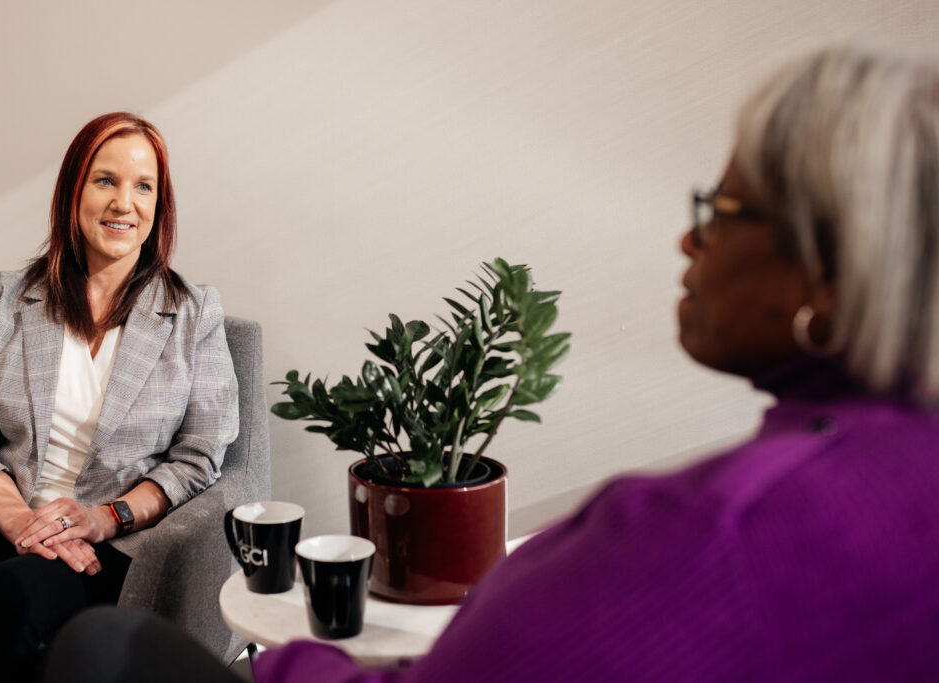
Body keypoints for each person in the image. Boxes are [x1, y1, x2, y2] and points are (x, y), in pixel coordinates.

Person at [46, 42, 939, 682]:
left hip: (122, 538)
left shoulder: (711, 532)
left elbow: (207, 457)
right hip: (19, 517)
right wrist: (10, 505)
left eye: (719, 208)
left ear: (823, 258)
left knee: (96, 648)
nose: (687, 237)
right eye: (104, 179)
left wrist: (291, 658)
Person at [0, 112, 239, 683]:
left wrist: (105, 517)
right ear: (73, 192)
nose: (123, 203)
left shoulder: (192, 313)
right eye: (105, 180)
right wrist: (20, 521)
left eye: (144, 187)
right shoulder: (9, 296)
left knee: (7, 601)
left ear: (159, 207)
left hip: (104, 537)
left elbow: (200, 456)